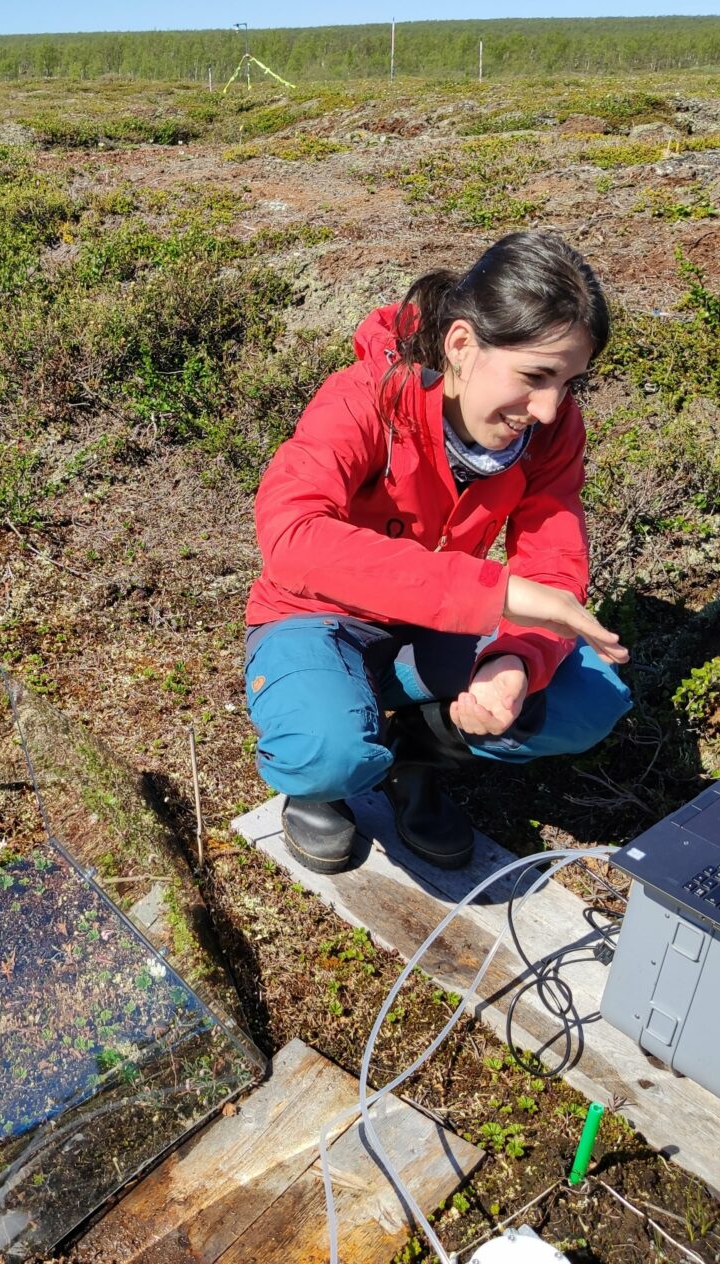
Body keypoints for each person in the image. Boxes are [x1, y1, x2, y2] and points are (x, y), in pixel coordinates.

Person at [244, 230, 633, 874]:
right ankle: (326, 779)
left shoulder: (552, 430)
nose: (548, 408)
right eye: (536, 375)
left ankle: (411, 758)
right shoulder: (365, 396)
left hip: (436, 627)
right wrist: (499, 595)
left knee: (584, 703)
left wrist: (516, 656)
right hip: (314, 619)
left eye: (569, 382)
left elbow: (552, 562)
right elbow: (292, 536)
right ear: (460, 344)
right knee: (326, 750)